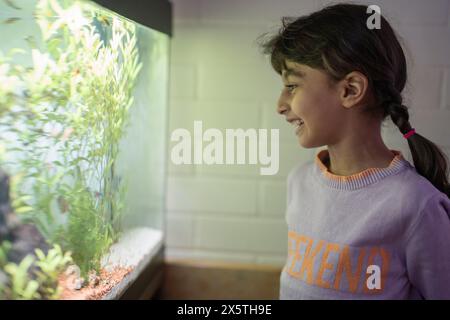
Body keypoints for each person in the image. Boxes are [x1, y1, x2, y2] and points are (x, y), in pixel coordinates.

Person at [258, 3, 450, 299]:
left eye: (292, 85)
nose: (280, 105)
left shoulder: (415, 204)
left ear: (350, 90)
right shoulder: (298, 183)